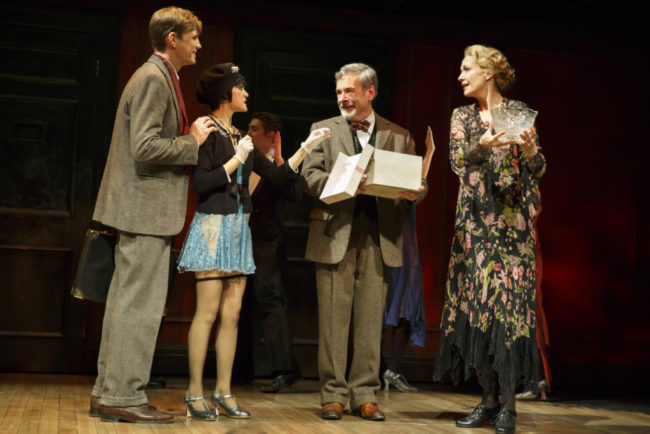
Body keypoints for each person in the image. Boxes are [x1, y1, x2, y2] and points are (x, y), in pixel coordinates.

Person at [177, 64, 329, 420]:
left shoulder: (237, 134)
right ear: (225, 93)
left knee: (231, 315)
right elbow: (202, 184)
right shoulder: (208, 131)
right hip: (214, 227)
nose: (246, 93)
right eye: (241, 87)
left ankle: (224, 391)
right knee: (209, 312)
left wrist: (304, 149)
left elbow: (275, 174)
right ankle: (194, 391)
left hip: (239, 231)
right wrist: (236, 159)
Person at [89, 6, 215, 423]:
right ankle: (122, 397)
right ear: (172, 39)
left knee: (128, 304)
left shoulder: (159, 76)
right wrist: (191, 141)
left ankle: (111, 393)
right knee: (136, 307)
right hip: (143, 211)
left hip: (144, 211)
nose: (199, 44)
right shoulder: (152, 79)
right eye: (193, 37)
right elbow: (144, 146)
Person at [301, 63, 427, 422]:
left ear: (370, 93)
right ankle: (332, 394)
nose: (343, 98)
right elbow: (308, 176)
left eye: (349, 91)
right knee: (333, 320)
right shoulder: (322, 130)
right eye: (339, 91)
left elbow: (416, 183)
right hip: (335, 231)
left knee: (371, 320)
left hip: (379, 235)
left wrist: (416, 192)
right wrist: (336, 182)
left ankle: (365, 394)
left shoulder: (398, 134)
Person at [432, 44, 546, 434]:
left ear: (488, 73)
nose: (461, 75)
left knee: (509, 313)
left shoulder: (516, 113)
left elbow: (537, 169)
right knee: (480, 312)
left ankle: (509, 407)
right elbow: (456, 163)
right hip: (475, 226)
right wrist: (482, 145)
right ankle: (488, 400)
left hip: (511, 224)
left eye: (467, 69)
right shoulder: (462, 116)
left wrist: (531, 153)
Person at [247, 112, 303, 393]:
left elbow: (294, 194)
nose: (249, 133)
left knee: (270, 300)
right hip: (241, 238)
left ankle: (285, 370)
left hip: (266, 241)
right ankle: (241, 368)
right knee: (241, 302)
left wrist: (281, 159)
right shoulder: (245, 158)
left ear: (271, 135)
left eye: (255, 129)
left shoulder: (280, 165)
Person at [382, 127, 435, 393]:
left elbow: (420, 187)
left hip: (406, 247)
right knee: (385, 306)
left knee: (404, 306)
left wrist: (428, 154)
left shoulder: (411, 174)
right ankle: (380, 370)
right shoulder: (386, 169)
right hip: (389, 245)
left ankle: (391, 369)